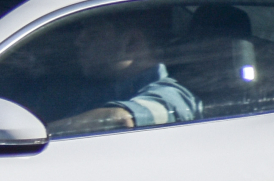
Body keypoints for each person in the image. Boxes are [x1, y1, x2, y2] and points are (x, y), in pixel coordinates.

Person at [53, 10, 200, 135]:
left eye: (93, 33)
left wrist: (41, 135)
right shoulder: (98, 89)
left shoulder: (171, 95)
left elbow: (119, 119)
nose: (79, 41)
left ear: (131, 43)